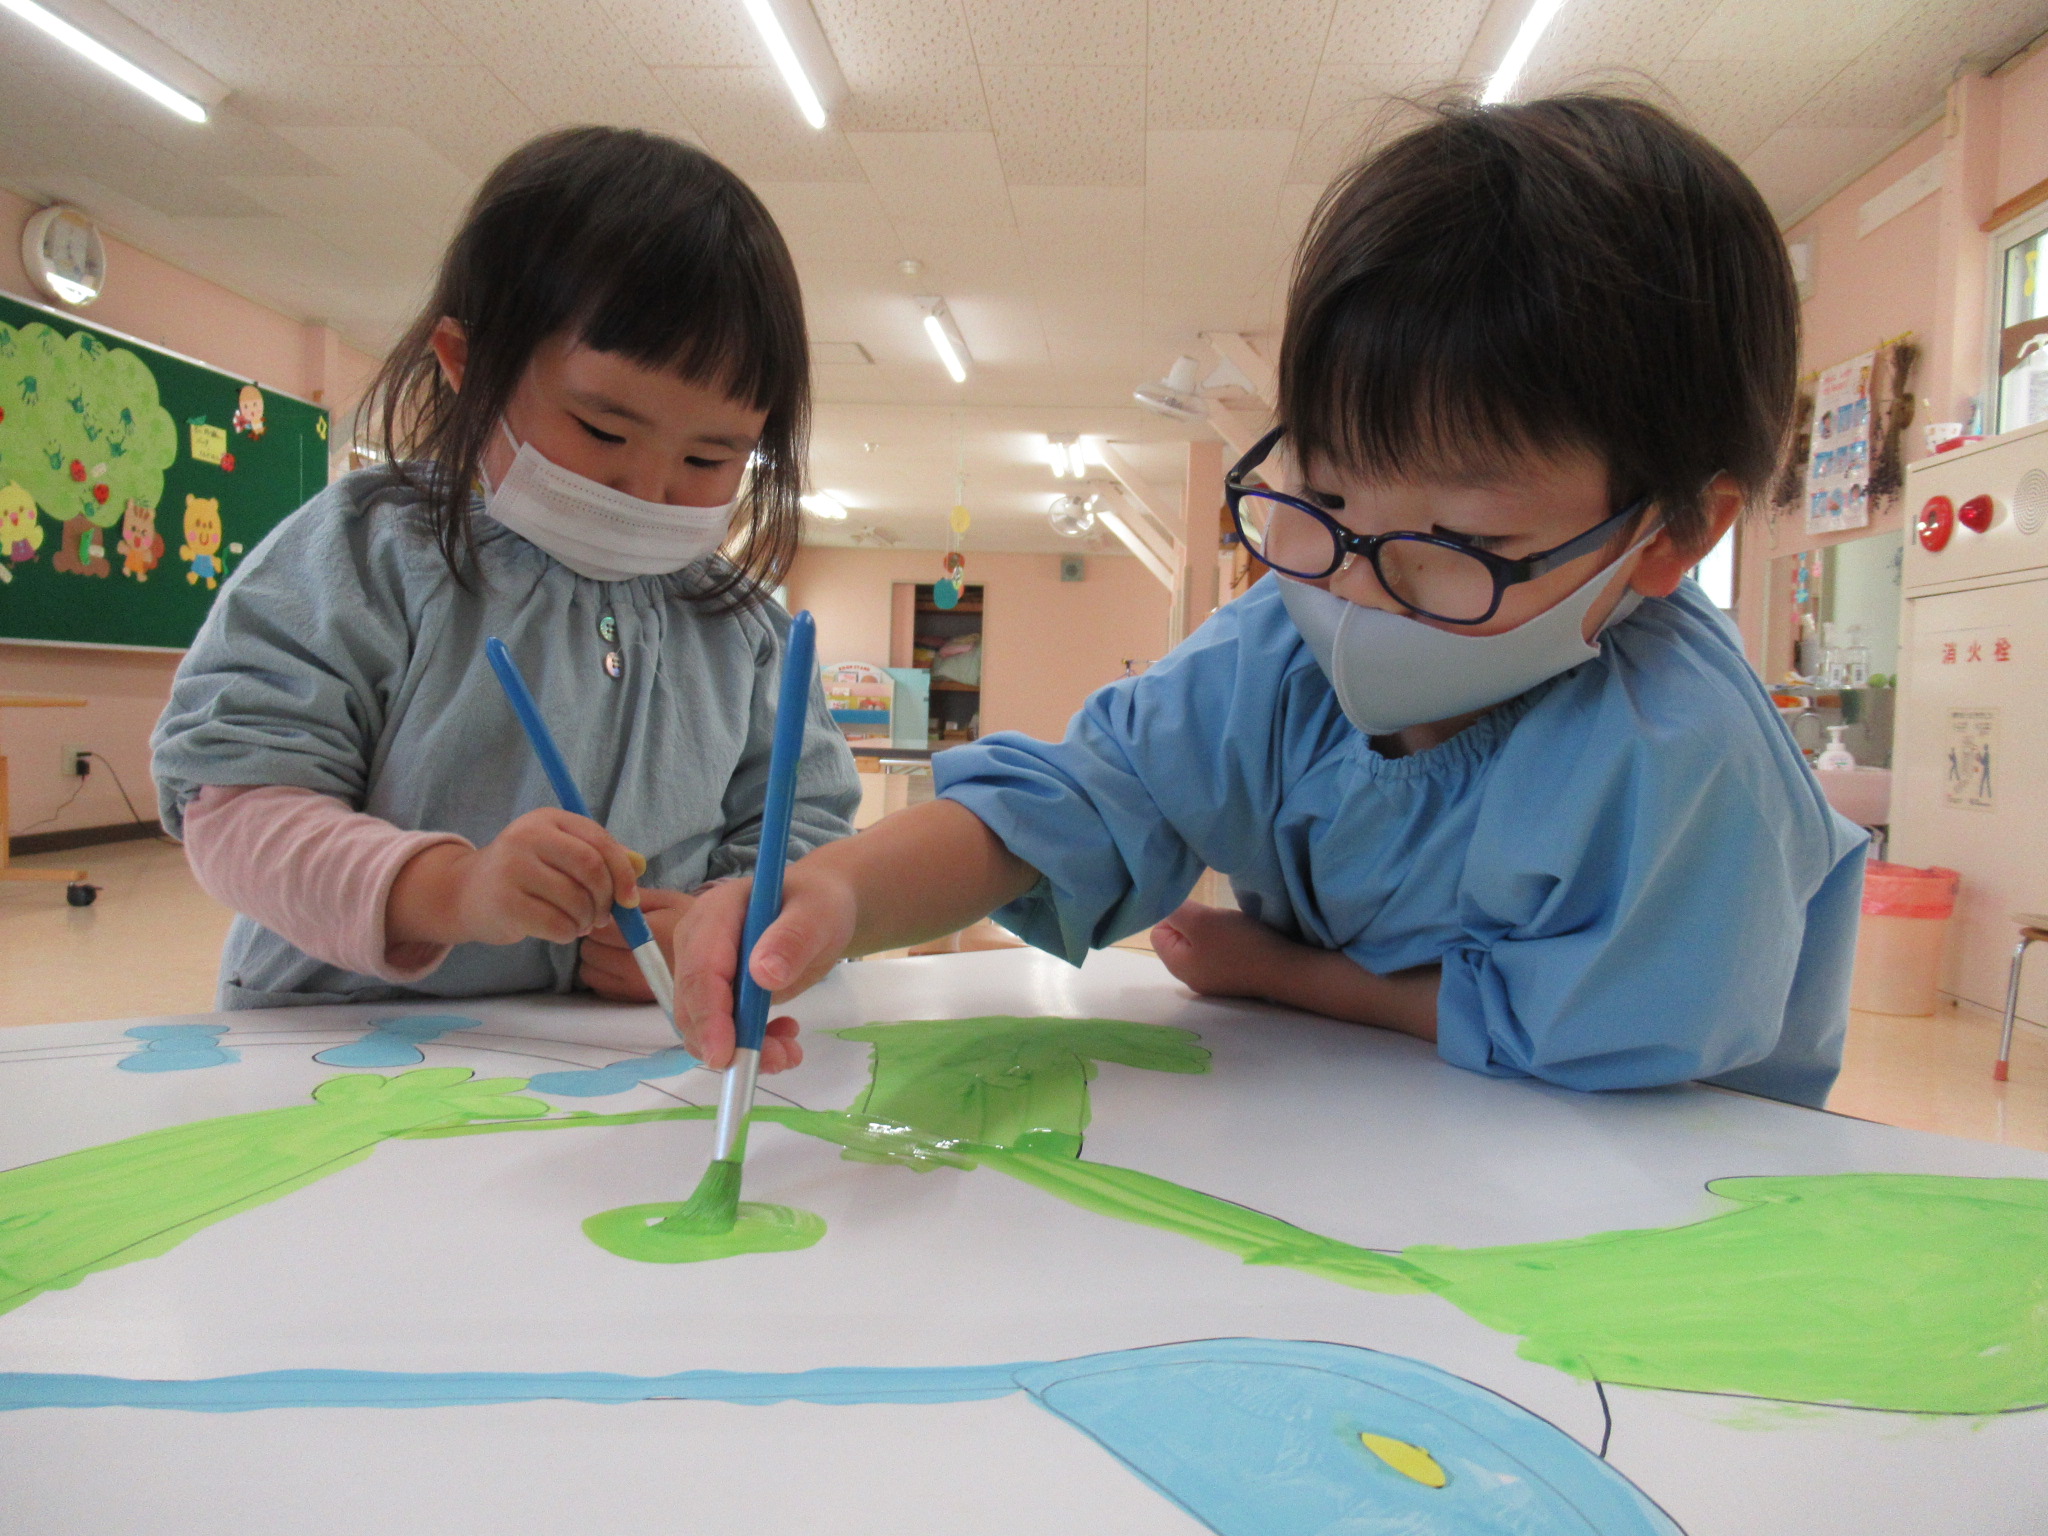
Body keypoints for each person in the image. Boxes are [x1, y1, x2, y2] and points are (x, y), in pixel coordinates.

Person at [672, 95, 1871, 1105]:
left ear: (1671, 534)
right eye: (1326, 496)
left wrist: (1289, 976)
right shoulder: (1276, 651)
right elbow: (1073, 803)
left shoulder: (1684, 752)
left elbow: (1601, 1030)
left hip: (1653, 1189)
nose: (1354, 583)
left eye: (1460, 542)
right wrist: (841, 890)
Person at [153, 127, 859, 1016]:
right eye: (603, 431)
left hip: (618, 1063)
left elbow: (808, 829)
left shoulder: (742, 629)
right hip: (348, 1046)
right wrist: (450, 890)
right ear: (469, 363)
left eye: (710, 458)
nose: (647, 490)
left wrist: (723, 928)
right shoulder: (370, 553)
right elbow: (238, 808)